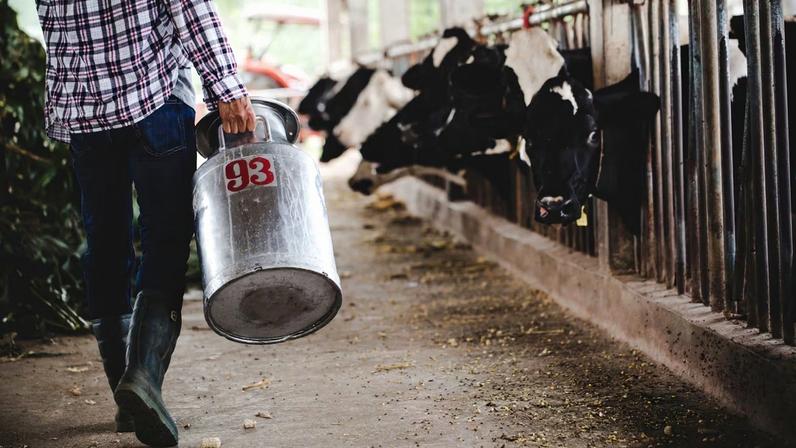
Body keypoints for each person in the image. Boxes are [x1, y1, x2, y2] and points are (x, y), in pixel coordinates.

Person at [36, 1, 255, 446]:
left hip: (85, 112)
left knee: (106, 241)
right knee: (167, 237)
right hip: (152, 101)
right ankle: (144, 378)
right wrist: (227, 89)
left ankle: (126, 394)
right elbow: (190, 9)